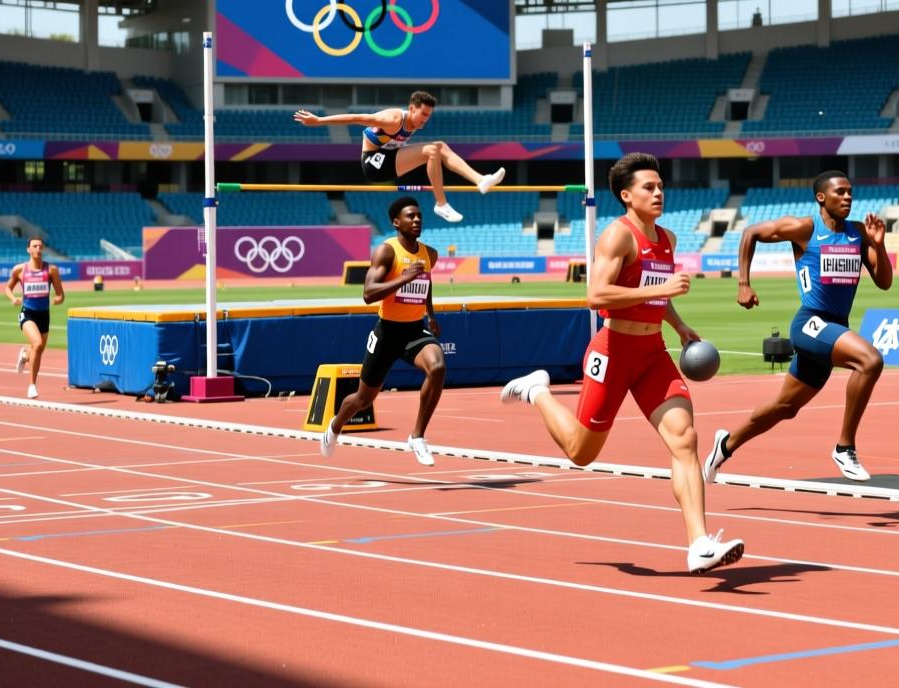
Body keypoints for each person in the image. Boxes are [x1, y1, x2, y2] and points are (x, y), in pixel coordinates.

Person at [500, 153, 744, 575]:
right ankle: (537, 391)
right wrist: (667, 286)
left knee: (685, 440)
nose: (658, 193)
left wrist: (680, 326)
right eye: (649, 187)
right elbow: (597, 296)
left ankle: (698, 544)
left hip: (652, 355)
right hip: (612, 354)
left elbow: (653, 294)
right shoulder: (617, 236)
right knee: (581, 454)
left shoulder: (666, 238)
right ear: (626, 196)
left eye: (661, 186)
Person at [703, 170, 892, 485]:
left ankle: (725, 445)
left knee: (785, 407)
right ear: (821, 197)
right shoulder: (805, 228)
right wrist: (743, 283)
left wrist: (878, 245)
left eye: (850, 193)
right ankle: (844, 448)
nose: (848, 197)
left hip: (834, 327)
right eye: (840, 192)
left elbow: (884, 282)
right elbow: (750, 232)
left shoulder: (858, 233)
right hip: (810, 323)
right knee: (870, 360)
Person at [320, 196, 446, 466]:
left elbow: (426, 281)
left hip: (414, 331)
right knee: (363, 399)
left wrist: (430, 314)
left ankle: (418, 436)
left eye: (419, 216)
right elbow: (368, 294)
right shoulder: (386, 252)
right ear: (396, 222)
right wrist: (404, 277)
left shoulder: (429, 254)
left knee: (437, 367)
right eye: (410, 216)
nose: (416, 220)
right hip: (387, 333)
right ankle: (335, 426)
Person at [294, 90, 505, 223]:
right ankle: (441, 204)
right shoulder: (392, 118)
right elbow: (356, 118)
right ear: (411, 109)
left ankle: (480, 180)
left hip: (388, 155)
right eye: (423, 115)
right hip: (374, 163)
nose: (425, 120)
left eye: (429, 116)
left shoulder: (415, 123)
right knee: (432, 150)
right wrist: (319, 121)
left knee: (439, 146)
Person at [4, 237, 65, 400]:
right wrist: (13, 299)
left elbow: (60, 294)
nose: (38, 248)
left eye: (40, 246)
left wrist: (58, 299)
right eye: (34, 246)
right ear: (28, 250)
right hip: (27, 313)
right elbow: (7, 288)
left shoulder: (51, 270)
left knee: (38, 351)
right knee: (37, 344)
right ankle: (32, 386)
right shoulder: (20, 270)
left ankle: (25, 355)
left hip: (44, 315)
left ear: (43, 248)